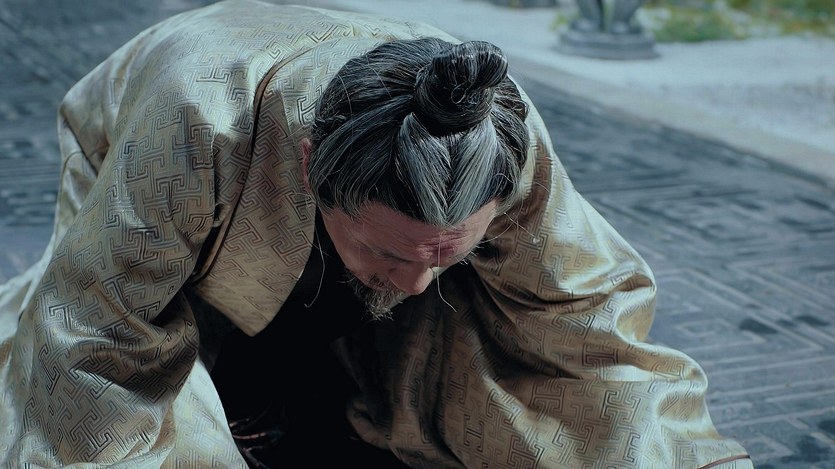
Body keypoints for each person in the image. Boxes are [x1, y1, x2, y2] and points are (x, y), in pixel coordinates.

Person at [0, 0, 752, 467]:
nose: (419, 284)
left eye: (444, 255)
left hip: (338, 166)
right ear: (307, 166)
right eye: (389, 252)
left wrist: (663, 447)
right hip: (149, 133)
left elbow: (591, 312)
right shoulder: (191, 126)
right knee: (128, 402)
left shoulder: (496, 136)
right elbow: (101, 335)